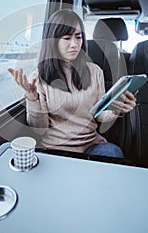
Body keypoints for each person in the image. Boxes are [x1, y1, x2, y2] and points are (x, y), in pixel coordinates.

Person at [8, 9, 136, 158]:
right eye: (67, 38)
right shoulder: (39, 76)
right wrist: (32, 97)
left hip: (91, 145)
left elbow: (100, 115)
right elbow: (39, 130)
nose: (75, 44)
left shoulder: (95, 71)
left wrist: (117, 109)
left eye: (78, 37)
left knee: (113, 152)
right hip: (55, 149)